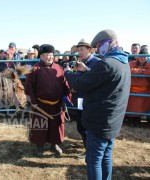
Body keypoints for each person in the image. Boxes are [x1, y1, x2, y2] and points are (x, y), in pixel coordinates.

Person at [64, 29, 130, 180]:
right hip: (113, 120)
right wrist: (87, 69)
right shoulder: (123, 62)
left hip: (99, 121)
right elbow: (104, 82)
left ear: (108, 43)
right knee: (105, 156)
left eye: (99, 45)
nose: (98, 48)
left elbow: (81, 84)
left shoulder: (107, 64)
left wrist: (68, 72)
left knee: (93, 160)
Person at [25, 44, 71, 157]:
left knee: (55, 126)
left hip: (57, 105)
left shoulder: (59, 68)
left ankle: (54, 144)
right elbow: (29, 88)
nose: (50, 57)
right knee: (40, 126)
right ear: (41, 56)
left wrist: (66, 100)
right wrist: (33, 102)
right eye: (47, 54)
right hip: (40, 105)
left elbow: (66, 85)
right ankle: (39, 146)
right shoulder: (34, 70)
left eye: (51, 54)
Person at [71, 39, 101, 159]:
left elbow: (97, 80)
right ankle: (87, 148)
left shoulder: (97, 63)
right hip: (80, 99)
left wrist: (86, 70)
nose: (79, 52)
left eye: (82, 49)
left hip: (91, 100)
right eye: (78, 50)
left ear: (90, 49)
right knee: (81, 125)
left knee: (88, 126)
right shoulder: (81, 62)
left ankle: (90, 151)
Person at [126, 49, 150, 126]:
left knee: (141, 108)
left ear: (147, 57)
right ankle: (130, 121)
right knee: (131, 107)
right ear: (138, 56)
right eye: (141, 56)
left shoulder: (149, 64)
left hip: (144, 91)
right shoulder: (132, 63)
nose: (142, 58)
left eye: (145, 57)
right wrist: (142, 71)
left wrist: (137, 71)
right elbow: (128, 69)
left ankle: (137, 121)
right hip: (132, 90)